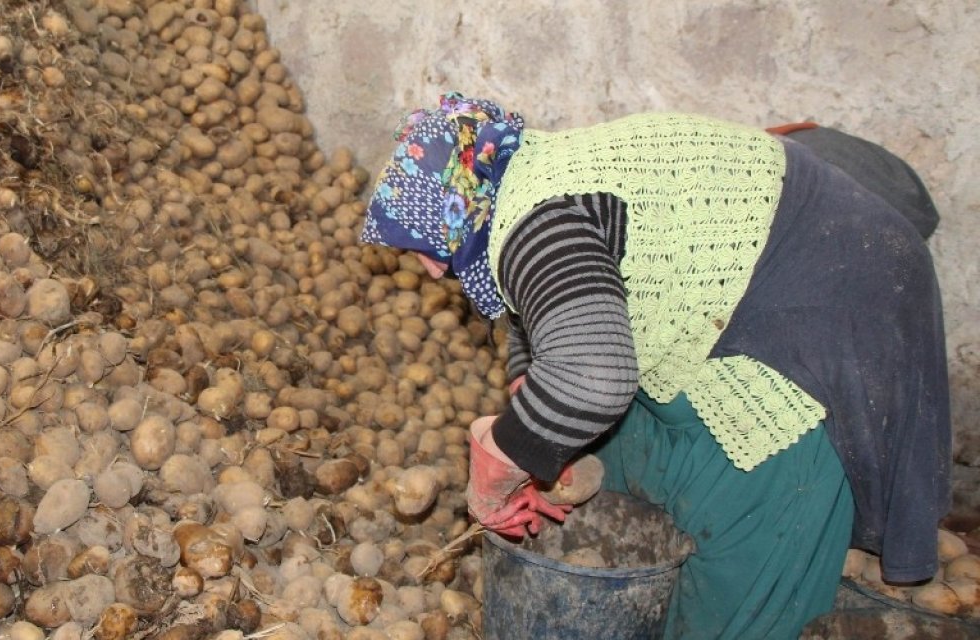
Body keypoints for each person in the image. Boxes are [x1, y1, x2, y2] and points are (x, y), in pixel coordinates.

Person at [359, 93, 951, 639]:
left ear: (460, 212)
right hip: (780, 259)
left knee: (751, 542)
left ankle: (762, 554)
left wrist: (501, 456)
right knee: (588, 443)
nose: (431, 268)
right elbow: (550, 300)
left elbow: (594, 377)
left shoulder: (538, 221)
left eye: (424, 245)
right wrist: (527, 384)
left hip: (831, 301)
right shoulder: (513, 179)